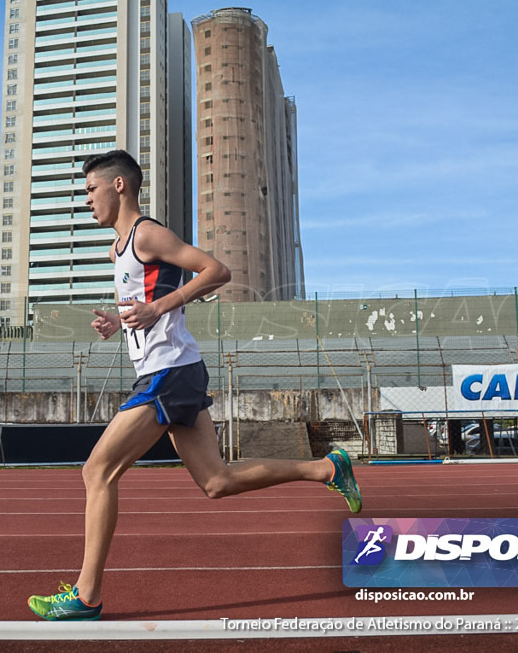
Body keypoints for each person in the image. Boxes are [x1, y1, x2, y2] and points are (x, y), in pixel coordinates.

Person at [27, 150, 362, 621]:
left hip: (170, 373)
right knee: (217, 481)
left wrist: (160, 308)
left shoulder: (148, 233)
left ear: (119, 185)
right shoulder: (117, 248)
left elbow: (216, 271)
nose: (87, 201)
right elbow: (143, 304)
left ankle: (86, 597)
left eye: (89, 190)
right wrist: (116, 322)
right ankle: (327, 469)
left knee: (96, 472)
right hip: (169, 371)